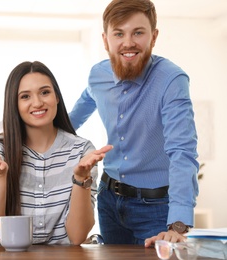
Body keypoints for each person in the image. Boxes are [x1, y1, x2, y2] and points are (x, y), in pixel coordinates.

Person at [68, 0, 199, 247]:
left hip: (156, 208)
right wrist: (22, 136)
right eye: (119, 33)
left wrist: (178, 224)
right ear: (106, 39)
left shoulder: (171, 80)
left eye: (138, 32)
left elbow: (182, 151)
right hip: (108, 200)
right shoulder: (98, 76)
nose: (128, 42)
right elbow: (71, 121)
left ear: (154, 36)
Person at [0, 61, 113, 246]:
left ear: (57, 98)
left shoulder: (82, 151)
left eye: (45, 92)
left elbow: (77, 237)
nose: (37, 102)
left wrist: (80, 179)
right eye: (25, 96)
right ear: (14, 104)